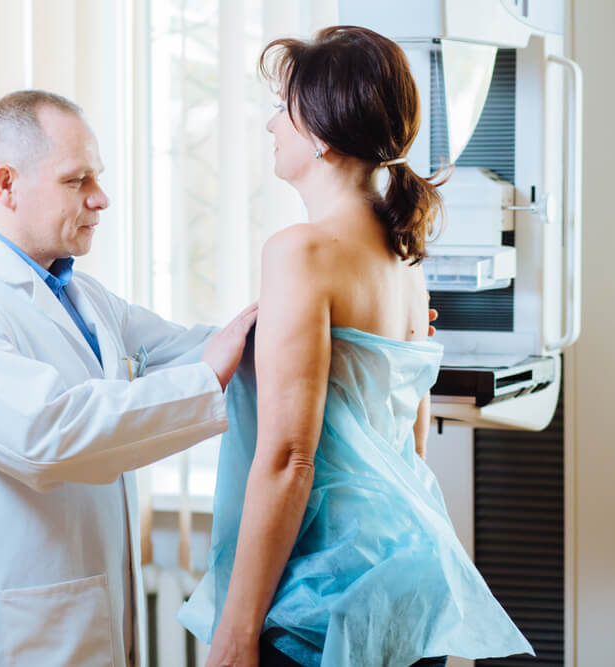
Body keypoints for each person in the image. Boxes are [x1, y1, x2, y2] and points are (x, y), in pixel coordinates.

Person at [177, 26, 534, 667]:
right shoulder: (403, 258)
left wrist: (233, 636)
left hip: (322, 596)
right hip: (403, 578)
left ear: (318, 132)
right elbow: (413, 442)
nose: (269, 126)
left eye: (282, 107)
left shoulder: (301, 251)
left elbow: (290, 458)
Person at [0, 90, 257, 667]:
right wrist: (205, 383)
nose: (101, 198)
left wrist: (325, 324)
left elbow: (195, 349)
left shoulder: (77, 293)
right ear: (6, 184)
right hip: (11, 636)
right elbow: (49, 435)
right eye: (77, 180)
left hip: (90, 617)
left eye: (98, 176)